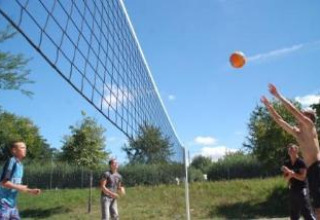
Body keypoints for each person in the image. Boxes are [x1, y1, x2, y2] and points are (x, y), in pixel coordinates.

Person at [261, 84, 320, 219]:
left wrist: (277, 95)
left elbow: (293, 110)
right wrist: (269, 107)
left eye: (303, 114)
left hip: (318, 167)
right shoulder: (298, 134)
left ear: (309, 117)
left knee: (318, 210)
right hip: (311, 170)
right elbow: (280, 121)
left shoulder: (310, 126)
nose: (300, 116)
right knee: (317, 210)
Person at [0, 141, 41, 219]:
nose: (25, 149)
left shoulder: (20, 166)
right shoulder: (11, 162)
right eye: (22, 147)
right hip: (3, 204)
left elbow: (17, 186)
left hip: (12, 205)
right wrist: (19, 187)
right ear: (14, 150)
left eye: (25, 148)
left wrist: (30, 191)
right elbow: (3, 182)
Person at [282, 144, 315, 220]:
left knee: (307, 213)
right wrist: (290, 174)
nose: (289, 149)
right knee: (293, 214)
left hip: (302, 190)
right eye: (288, 148)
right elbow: (286, 179)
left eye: (292, 148)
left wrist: (290, 172)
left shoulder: (301, 162)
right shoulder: (287, 163)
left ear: (296, 151)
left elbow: (302, 178)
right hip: (292, 190)